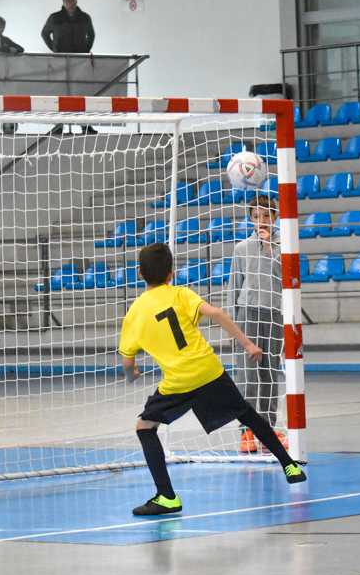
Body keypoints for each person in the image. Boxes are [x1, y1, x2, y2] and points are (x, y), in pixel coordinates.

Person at [118, 243, 306, 516]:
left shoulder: (134, 314)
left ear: (139, 273)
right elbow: (217, 313)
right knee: (247, 414)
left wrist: (131, 374)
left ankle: (166, 497)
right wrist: (248, 344)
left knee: (145, 428)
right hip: (208, 370)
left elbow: (127, 361)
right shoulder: (181, 294)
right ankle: (289, 464)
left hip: (178, 382)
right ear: (171, 274)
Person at [227, 194, 287, 454]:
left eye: (266, 215)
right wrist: (232, 325)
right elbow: (234, 286)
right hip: (248, 314)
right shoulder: (241, 248)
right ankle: (247, 431)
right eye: (256, 216)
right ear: (250, 219)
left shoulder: (284, 247)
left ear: (274, 218)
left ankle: (268, 428)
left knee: (270, 373)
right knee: (247, 375)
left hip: (274, 314)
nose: (261, 220)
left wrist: (270, 249)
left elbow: (286, 279)